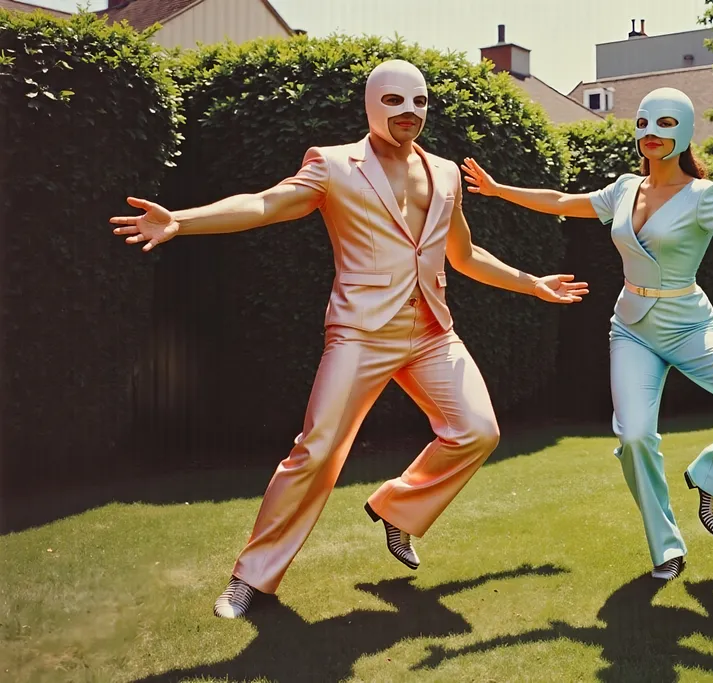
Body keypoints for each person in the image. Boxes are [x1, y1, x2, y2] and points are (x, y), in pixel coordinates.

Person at [111, 59, 589, 618]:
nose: (409, 112)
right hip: (361, 333)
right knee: (316, 451)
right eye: (394, 101)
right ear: (371, 104)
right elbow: (267, 203)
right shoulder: (334, 165)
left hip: (432, 330)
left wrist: (532, 284)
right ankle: (251, 578)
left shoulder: (446, 173)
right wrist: (183, 221)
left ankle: (397, 509)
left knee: (477, 430)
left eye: (419, 101)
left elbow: (463, 254)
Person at [461, 87, 713, 581]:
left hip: (688, 327)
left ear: (682, 132)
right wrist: (498, 190)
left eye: (663, 125)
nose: (651, 135)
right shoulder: (622, 189)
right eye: (643, 125)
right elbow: (560, 200)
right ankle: (666, 548)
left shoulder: (705, 197)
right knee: (635, 437)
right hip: (632, 329)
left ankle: (710, 478)